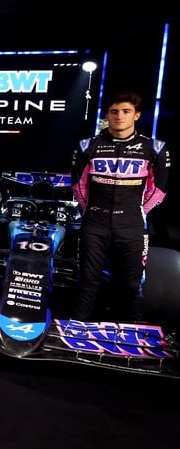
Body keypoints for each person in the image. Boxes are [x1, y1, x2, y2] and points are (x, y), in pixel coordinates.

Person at [71, 91, 170, 322]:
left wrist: (138, 211)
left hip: (132, 224)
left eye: (126, 112)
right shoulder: (87, 145)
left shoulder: (154, 148)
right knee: (88, 280)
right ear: (107, 114)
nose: (119, 117)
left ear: (136, 115)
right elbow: (78, 185)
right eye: (114, 112)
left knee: (131, 283)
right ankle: (76, 327)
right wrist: (91, 209)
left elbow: (160, 190)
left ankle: (133, 331)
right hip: (95, 222)